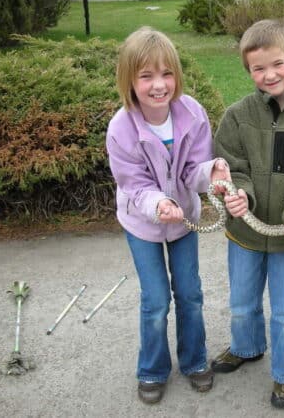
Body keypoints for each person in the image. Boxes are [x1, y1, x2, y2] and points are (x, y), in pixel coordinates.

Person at [105, 27, 230, 404]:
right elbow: (135, 184)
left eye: (166, 74)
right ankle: (153, 369)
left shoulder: (192, 113)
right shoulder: (120, 129)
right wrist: (158, 203)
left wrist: (213, 173)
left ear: (176, 75)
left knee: (190, 293)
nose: (158, 85)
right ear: (129, 80)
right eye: (146, 76)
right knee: (156, 299)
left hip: (185, 220)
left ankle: (193, 361)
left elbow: (195, 169)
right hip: (143, 223)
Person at [212, 19, 284, 409]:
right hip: (244, 235)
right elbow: (233, 168)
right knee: (242, 302)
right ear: (248, 71)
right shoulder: (235, 117)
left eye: (277, 63)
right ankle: (247, 348)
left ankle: (283, 374)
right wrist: (238, 195)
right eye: (258, 68)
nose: (269, 75)